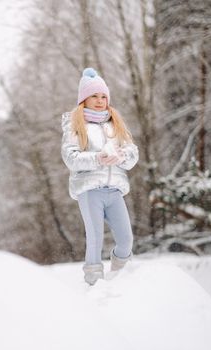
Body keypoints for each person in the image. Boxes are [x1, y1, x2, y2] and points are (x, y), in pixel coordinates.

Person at [61, 68, 139, 286]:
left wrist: (121, 156)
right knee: (95, 238)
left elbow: (133, 155)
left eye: (103, 96)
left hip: (114, 191)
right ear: (84, 99)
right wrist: (98, 158)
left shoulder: (116, 124)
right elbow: (71, 158)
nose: (99, 100)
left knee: (126, 241)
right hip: (90, 190)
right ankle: (94, 284)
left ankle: (119, 278)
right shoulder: (75, 125)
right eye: (94, 96)